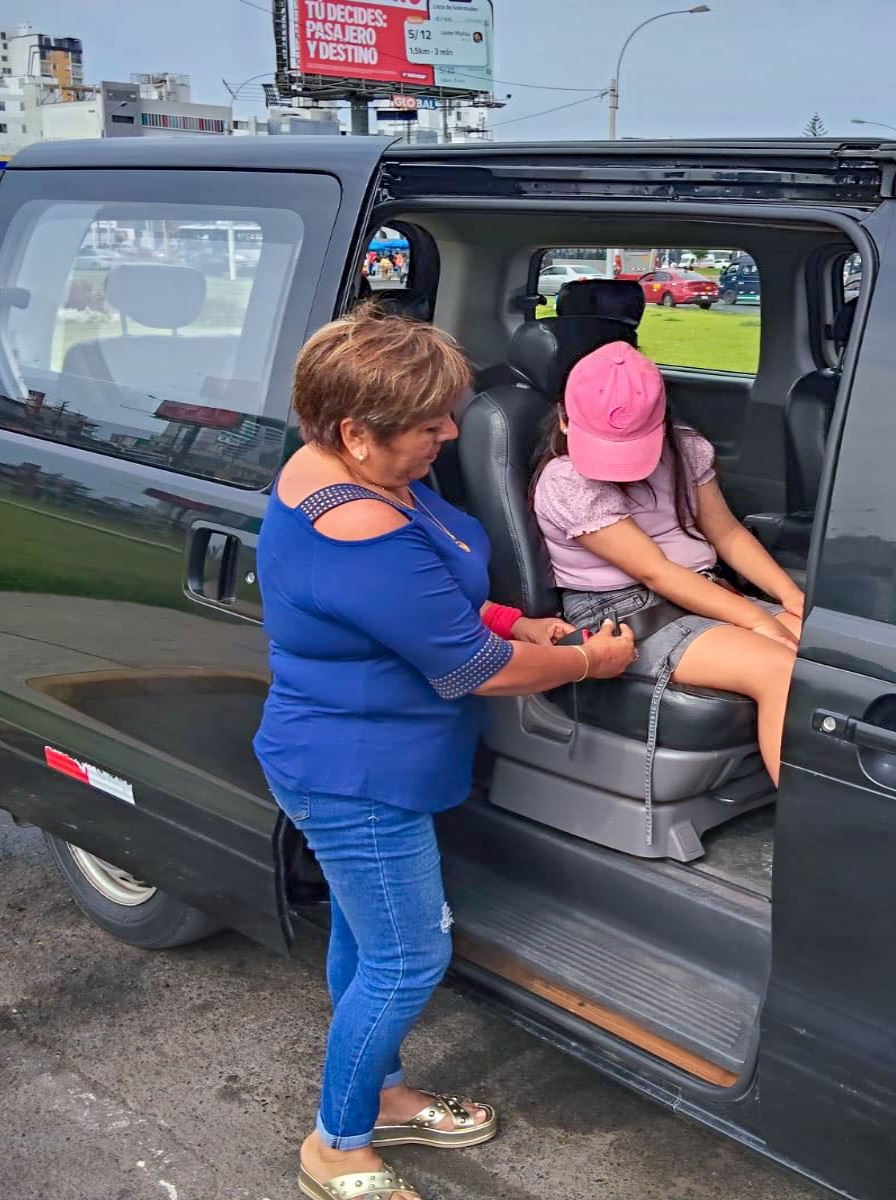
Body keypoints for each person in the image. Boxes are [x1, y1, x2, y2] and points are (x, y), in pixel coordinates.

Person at [254, 307, 636, 1200]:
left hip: (357, 755)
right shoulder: (356, 525)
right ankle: (336, 1145)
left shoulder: (345, 467)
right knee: (408, 958)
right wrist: (589, 660)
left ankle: (382, 1094)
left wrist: (513, 619)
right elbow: (470, 667)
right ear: (357, 431)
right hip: (356, 775)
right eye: (429, 424)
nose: (450, 435)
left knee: (367, 937)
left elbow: (425, 606)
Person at [533, 342, 806, 783]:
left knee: (826, 657)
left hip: (701, 589)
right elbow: (655, 571)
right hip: (623, 612)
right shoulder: (567, 482)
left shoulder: (684, 450)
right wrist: (758, 621)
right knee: (782, 670)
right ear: (563, 419)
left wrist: (792, 598)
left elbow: (727, 533)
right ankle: (807, 821)